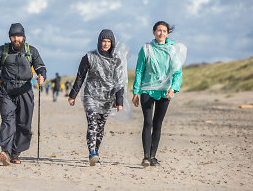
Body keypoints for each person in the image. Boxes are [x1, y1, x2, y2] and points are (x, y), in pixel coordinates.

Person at [68, 29, 129, 166]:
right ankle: (92, 153)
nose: (106, 44)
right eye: (104, 41)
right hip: (91, 96)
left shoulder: (116, 60)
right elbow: (80, 77)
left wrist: (119, 101)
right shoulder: (89, 57)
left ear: (112, 43)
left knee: (100, 128)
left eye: (108, 41)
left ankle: (96, 152)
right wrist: (73, 95)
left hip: (107, 98)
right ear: (99, 41)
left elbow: (120, 81)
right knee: (92, 124)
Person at [0, 23, 46, 165]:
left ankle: (16, 152)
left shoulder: (31, 51)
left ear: (23, 37)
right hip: (7, 91)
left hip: (25, 90)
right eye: (13, 36)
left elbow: (41, 67)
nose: (16, 39)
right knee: (8, 120)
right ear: (10, 37)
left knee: (24, 124)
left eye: (19, 36)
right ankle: (5, 152)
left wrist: (41, 76)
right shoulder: (2, 51)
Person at [132, 21, 186, 167]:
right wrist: (136, 91)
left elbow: (177, 72)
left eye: (164, 31)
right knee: (148, 122)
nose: (161, 33)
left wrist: (173, 88)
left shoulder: (172, 50)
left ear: (167, 33)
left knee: (157, 123)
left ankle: (153, 156)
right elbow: (139, 71)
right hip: (147, 89)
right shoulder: (146, 49)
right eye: (159, 30)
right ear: (153, 32)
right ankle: (145, 157)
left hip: (164, 90)